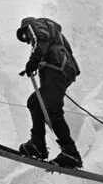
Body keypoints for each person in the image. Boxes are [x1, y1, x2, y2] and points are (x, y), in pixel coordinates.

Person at [15, 17, 83, 169]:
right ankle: (38, 144)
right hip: (60, 69)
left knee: (51, 108)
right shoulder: (53, 35)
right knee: (35, 102)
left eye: (25, 36)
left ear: (26, 27)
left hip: (57, 68)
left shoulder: (36, 25)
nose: (27, 40)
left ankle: (70, 152)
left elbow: (41, 38)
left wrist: (34, 59)